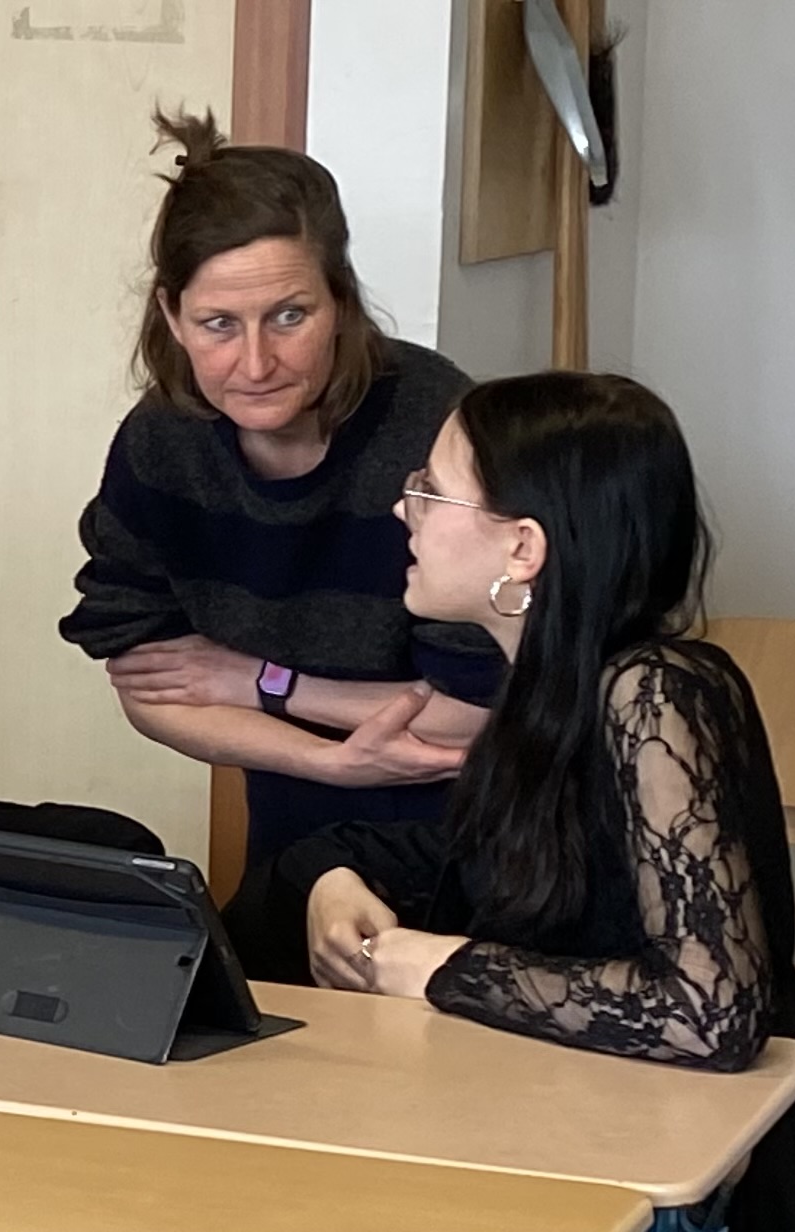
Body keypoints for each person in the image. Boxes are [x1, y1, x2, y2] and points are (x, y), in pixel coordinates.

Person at [276, 372, 795, 1231]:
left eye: (431, 490)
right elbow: (470, 866)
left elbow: (711, 1012)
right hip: (594, 1126)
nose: (403, 511)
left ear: (524, 548)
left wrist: (446, 968)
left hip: (718, 1179)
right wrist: (330, 879)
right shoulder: (544, 697)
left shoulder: (656, 691)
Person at [58, 109, 501, 875]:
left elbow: (470, 712)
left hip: (474, 843)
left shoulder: (435, 424)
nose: (256, 363)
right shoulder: (161, 444)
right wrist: (327, 762)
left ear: (341, 302)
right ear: (171, 317)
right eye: (218, 324)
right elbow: (150, 684)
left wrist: (258, 681)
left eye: (289, 316)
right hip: (295, 834)